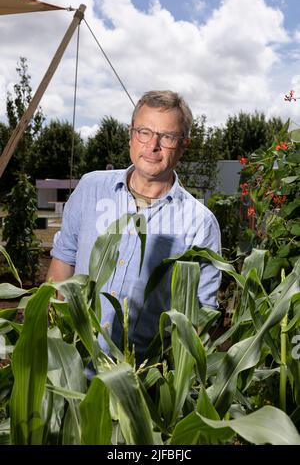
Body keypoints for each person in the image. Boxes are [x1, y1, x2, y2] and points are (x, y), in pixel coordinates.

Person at [47, 90, 221, 363]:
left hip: (141, 381)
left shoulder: (199, 222)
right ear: (131, 135)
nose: (153, 145)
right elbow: (63, 264)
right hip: (72, 366)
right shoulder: (90, 188)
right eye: (144, 132)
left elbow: (201, 314)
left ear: (184, 144)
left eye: (167, 137)